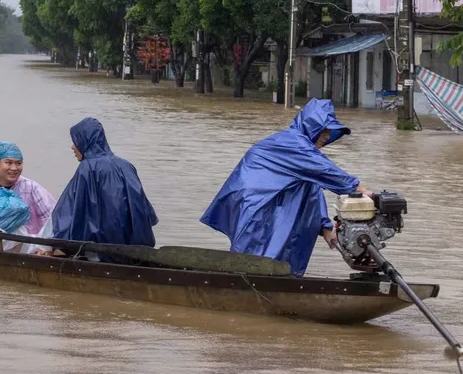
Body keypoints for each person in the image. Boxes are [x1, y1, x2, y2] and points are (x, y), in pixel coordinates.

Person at [199, 99, 372, 277]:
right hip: (259, 206)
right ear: (313, 126)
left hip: (269, 205)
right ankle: (250, 288)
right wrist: (364, 192)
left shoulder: (301, 152)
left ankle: (279, 282)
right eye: (325, 131)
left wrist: (326, 227)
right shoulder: (294, 144)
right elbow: (329, 172)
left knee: (279, 260)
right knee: (256, 259)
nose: (327, 137)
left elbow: (313, 190)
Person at [50, 117, 157, 247]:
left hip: (101, 251)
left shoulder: (87, 168)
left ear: (86, 141)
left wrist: (54, 245)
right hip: (133, 249)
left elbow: (68, 212)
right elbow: (143, 210)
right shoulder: (126, 166)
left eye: (76, 141)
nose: (73, 147)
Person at [0, 141, 56, 235]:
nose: (14, 168)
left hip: (28, 246)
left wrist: (45, 245)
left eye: (18, 163)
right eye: (8, 163)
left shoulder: (31, 188)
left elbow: (51, 217)